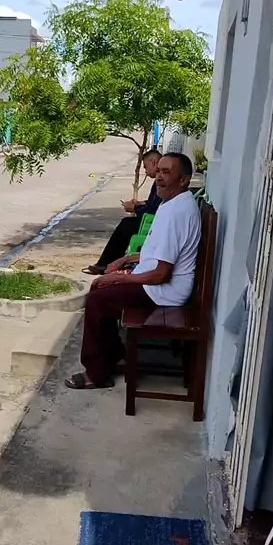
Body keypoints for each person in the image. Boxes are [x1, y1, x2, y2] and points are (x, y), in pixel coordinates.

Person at [66, 152, 201, 389]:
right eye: (158, 171)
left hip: (165, 291)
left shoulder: (176, 213)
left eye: (167, 172)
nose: (159, 177)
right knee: (100, 291)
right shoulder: (175, 203)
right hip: (158, 282)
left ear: (184, 180)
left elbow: (161, 274)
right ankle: (114, 354)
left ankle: (96, 374)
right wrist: (125, 260)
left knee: (97, 299)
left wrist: (119, 279)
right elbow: (158, 252)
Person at [82, 146, 162, 276]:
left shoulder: (161, 180)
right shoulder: (160, 179)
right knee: (127, 223)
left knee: (126, 225)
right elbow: (154, 203)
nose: (145, 171)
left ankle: (106, 264)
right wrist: (141, 203)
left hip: (156, 223)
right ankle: (106, 263)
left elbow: (154, 209)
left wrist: (135, 208)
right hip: (155, 218)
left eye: (146, 167)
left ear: (153, 162)